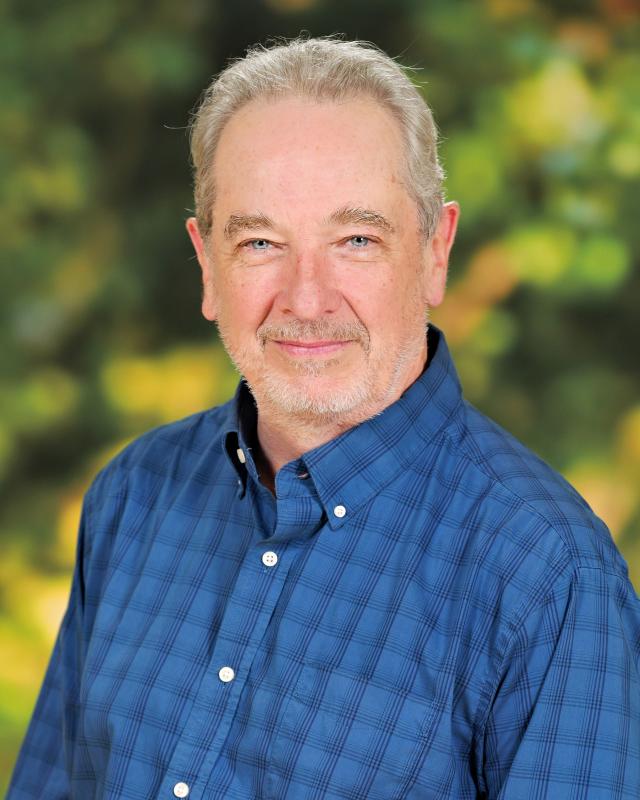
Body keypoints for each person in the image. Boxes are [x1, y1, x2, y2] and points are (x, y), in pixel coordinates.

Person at [8, 36, 639, 800]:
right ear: (206, 263)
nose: (306, 300)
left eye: (357, 240)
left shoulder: (547, 575)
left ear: (436, 251)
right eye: (261, 241)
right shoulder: (134, 494)